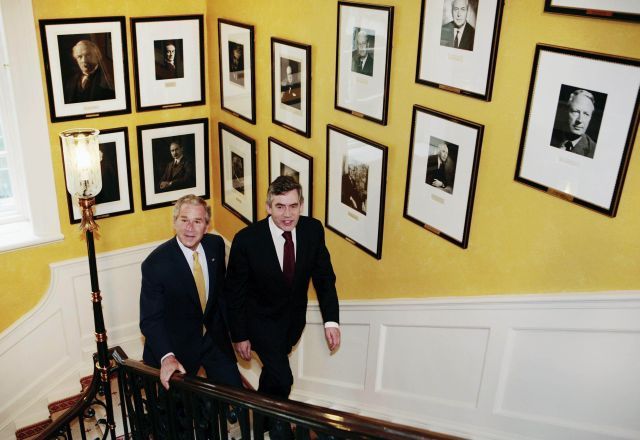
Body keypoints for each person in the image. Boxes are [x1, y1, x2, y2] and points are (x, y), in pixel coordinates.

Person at [224, 176, 340, 439]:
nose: (287, 215)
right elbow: (235, 292)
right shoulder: (247, 239)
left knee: (271, 378)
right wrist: (240, 335)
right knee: (283, 377)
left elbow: (324, 279)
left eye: (293, 206)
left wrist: (331, 321)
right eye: (279, 206)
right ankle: (277, 427)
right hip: (259, 322)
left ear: (301, 204)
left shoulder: (313, 230)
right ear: (268, 206)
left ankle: (260, 423)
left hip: (291, 324)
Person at [139, 195, 249, 437]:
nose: (190, 228)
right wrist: (167, 357)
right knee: (177, 416)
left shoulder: (216, 246)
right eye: (184, 220)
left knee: (239, 397)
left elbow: (221, 296)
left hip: (213, 340)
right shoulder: (156, 264)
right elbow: (150, 319)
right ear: (175, 222)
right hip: (177, 348)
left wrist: (237, 334)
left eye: (197, 221)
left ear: (206, 224)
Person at [550, 89, 597, 159]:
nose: (580, 120)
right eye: (576, 112)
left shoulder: (594, 151)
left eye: (586, 114)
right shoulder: (549, 135)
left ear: (590, 118)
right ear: (566, 111)